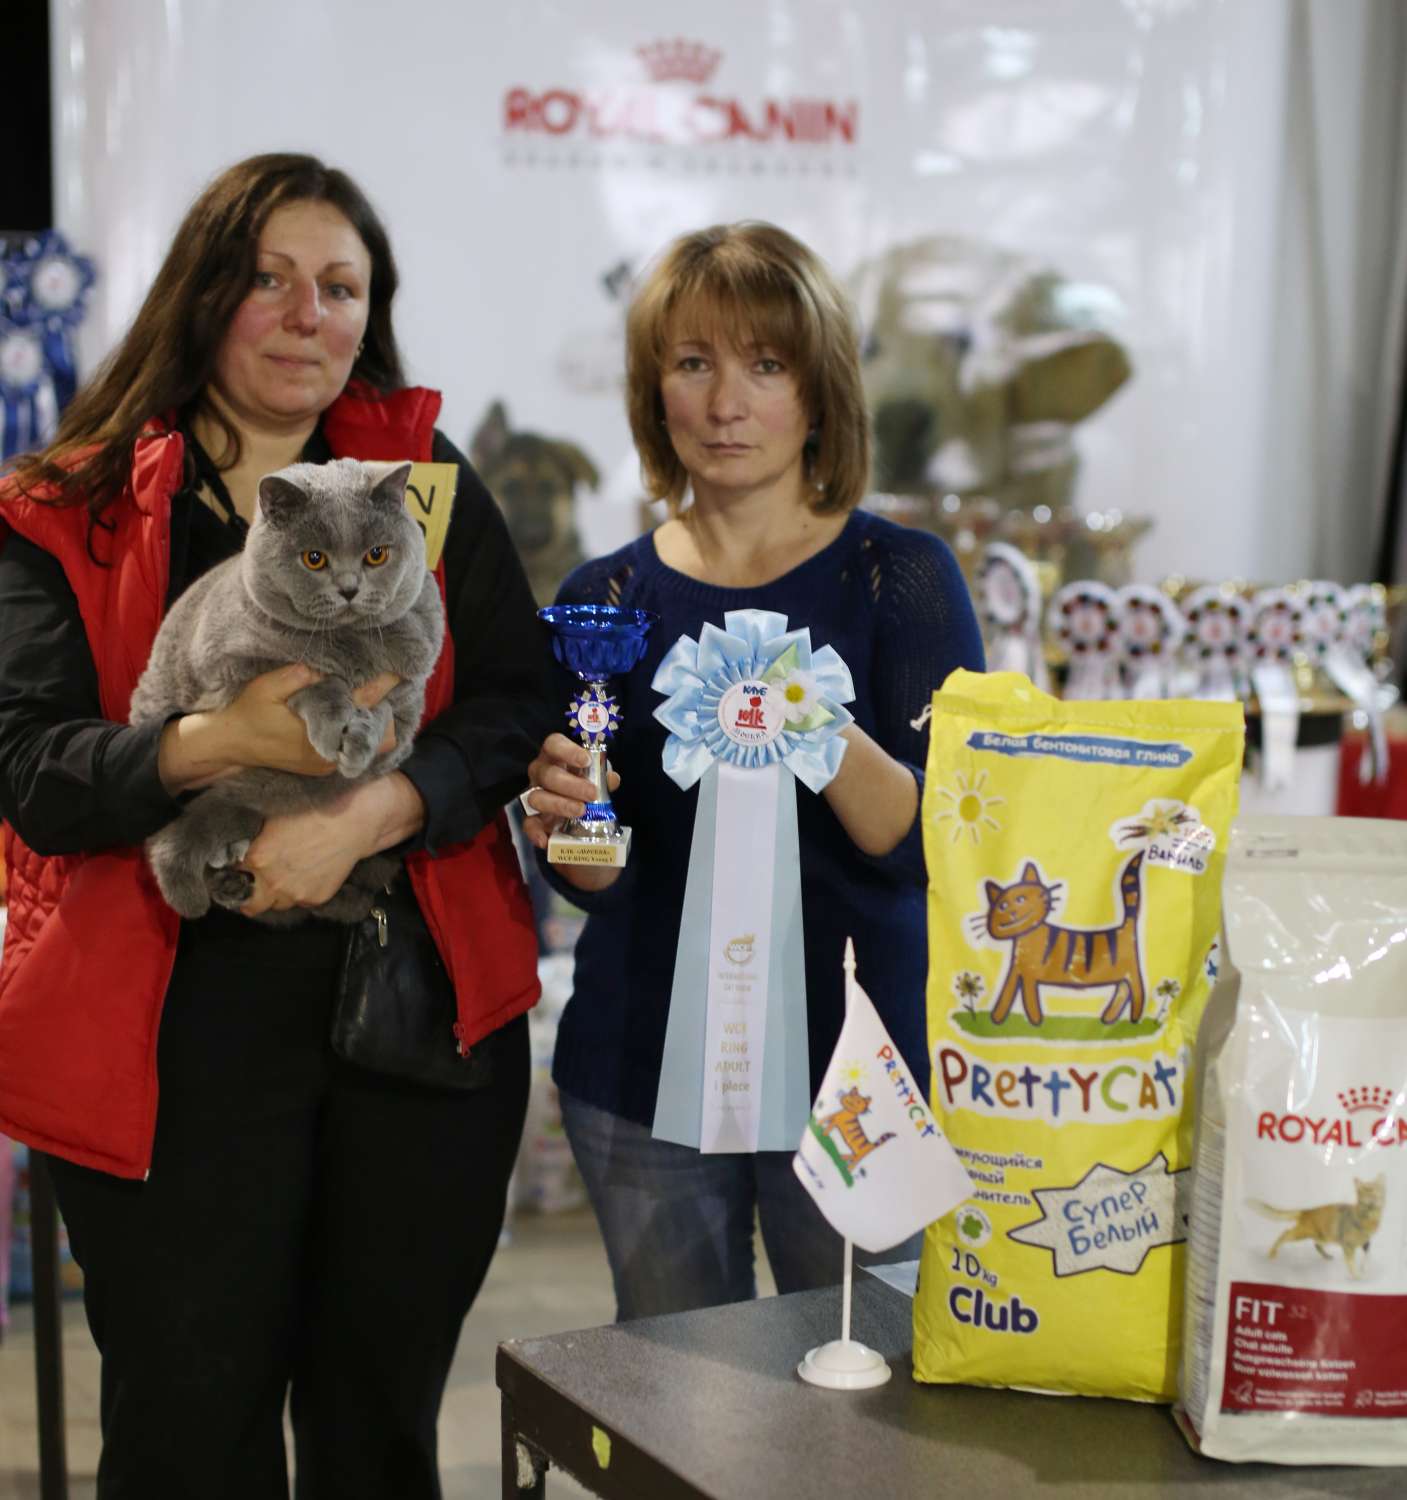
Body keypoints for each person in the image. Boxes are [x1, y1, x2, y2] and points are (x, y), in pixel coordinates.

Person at [0, 154, 556, 1499]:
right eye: (271, 279)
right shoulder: (66, 506)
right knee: (189, 1436)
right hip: (169, 1033)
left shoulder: (418, 484)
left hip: (412, 1028)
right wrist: (220, 743)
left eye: (342, 287)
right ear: (203, 294)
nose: (310, 314)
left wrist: (372, 812)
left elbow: (516, 699)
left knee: (379, 1432)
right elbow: (33, 770)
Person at [521, 222, 985, 1320]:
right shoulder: (603, 599)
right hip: (643, 1077)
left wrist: (800, 715)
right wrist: (574, 831)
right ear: (654, 392)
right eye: (693, 363)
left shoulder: (903, 579)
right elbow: (594, 880)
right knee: (672, 1396)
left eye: (766, 365)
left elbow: (942, 843)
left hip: (862, 1084)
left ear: (819, 392)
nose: (726, 403)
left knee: (870, 1402)